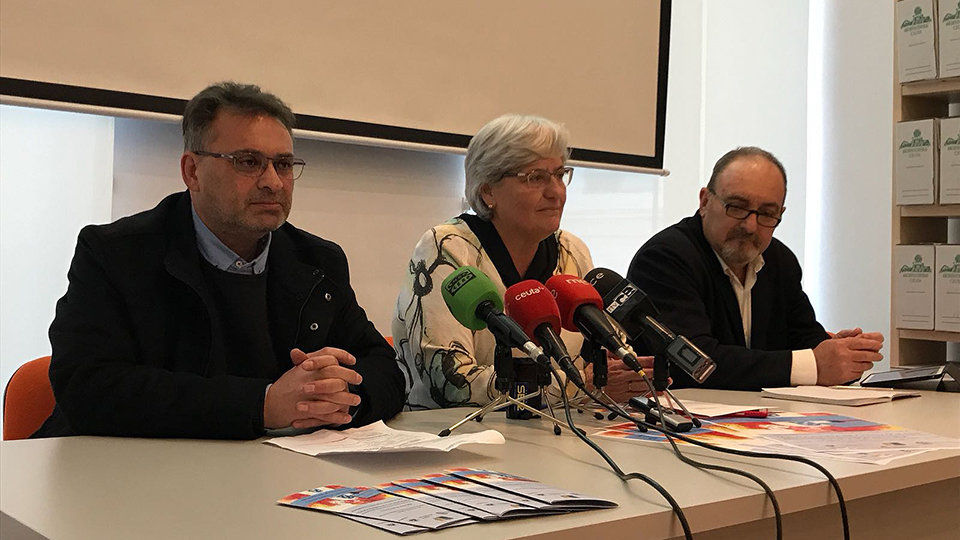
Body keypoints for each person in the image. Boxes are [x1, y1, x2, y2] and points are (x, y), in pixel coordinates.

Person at [33, 82, 405, 438]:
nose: (273, 182)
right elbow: (88, 386)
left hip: (272, 469)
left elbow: (384, 368)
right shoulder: (116, 253)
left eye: (284, 164)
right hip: (129, 471)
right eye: (248, 162)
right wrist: (262, 404)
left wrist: (340, 395)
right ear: (192, 172)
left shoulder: (317, 261)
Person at [392, 114, 652, 410]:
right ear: (488, 191)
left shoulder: (570, 250)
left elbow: (603, 359)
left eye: (559, 175)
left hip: (559, 427)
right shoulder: (446, 249)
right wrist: (581, 385)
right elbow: (452, 382)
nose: (556, 192)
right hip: (456, 432)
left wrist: (623, 372)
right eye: (536, 177)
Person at [628, 146, 883, 390]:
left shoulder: (779, 260)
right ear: (705, 201)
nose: (750, 226)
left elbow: (804, 340)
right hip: (680, 414)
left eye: (767, 213)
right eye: (737, 207)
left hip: (765, 414)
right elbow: (693, 362)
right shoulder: (664, 258)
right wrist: (814, 364)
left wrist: (841, 353)